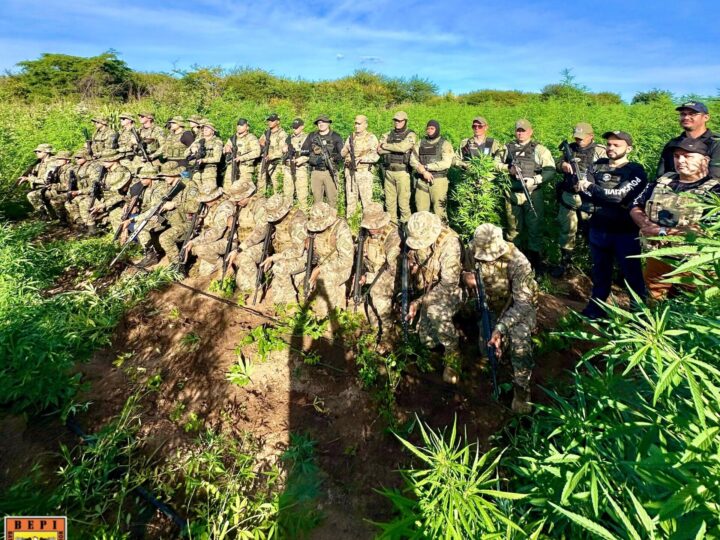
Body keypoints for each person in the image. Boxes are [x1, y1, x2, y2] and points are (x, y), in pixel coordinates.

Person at [462, 224, 538, 414]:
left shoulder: (517, 262)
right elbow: (464, 269)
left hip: (516, 310)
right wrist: (466, 277)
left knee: (519, 341)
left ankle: (522, 391)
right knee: (485, 350)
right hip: (490, 307)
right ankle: (500, 344)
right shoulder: (471, 250)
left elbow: (523, 304)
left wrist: (501, 328)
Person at [631, 139, 720, 299]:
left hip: (694, 262)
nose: (681, 161)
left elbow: (707, 230)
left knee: (689, 307)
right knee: (651, 302)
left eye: (688, 156)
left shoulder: (715, 191)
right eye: (677, 156)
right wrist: (644, 223)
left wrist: (662, 231)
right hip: (657, 257)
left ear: (705, 160)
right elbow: (635, 205)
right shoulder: (662, 182)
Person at [577, 131, 648, 319]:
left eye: (617, 145)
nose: (611, 148)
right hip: (598, 229)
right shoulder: (596, 166)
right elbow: (584, 194)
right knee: (600, 274)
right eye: (609, 144)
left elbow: (617, 196)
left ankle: (640, 318)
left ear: (629, 148)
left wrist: (593, 188)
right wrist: (597, 192)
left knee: (632, 277)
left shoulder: (636, 171)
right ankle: (596, 310)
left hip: (625, 233)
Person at [404, 211, 463, 383]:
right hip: (429, 289)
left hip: (453, 291)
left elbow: (449, 284)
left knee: (435, 311)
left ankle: (453, 353)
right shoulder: (416, 233)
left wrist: (419, 301)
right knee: (427, 342)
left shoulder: (450, 243)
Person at [497, 119, 556, 272]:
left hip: (533, 193)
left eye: (523, 130)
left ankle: (535, 265)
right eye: (518, 130)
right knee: (513, 229)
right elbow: (494, 163)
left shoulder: (540, 150)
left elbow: (550, 170)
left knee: (534, 229)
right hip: (512, 193)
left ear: (531, 131)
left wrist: (536, 179)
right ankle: (514, 263)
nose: (520, 133)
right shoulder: (507, 148)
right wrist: (508, 168)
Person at [551, 122, 607, 278]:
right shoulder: (569, 148)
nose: (578, 141)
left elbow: (608, 171)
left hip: (590, 199)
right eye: (576, 137)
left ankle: (594, 266)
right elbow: (556, 163)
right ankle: (565, 264)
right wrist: (562, 165)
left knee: (591, 232)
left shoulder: (600, 151)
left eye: (582, 138)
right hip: (569, 197)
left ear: (591, 136)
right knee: (566, 231)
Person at [234, 194, 306, 303]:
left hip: (295, 256)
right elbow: (258, 233)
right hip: (276, 250)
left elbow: (298, 250)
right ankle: (256, 289)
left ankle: (293, 303)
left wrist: (274, 257)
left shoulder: (297, 220)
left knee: (279, 298)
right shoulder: (270, 214)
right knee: (244, 258)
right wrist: (240, 249)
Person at [355, 202, 401, 343]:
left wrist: (370, 277)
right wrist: (361, 272)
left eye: (375, 225)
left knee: (379, 300)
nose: (372, 229)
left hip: (390, 275)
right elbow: (361, 255)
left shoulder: (392, 235)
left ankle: (388, 333)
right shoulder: (364, 232)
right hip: (372, 272)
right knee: (370, 302)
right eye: (369, 225)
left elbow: (393, 269)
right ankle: (375, 328)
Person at [302, 201, 354, 319]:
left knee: (324, 279)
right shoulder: (312, 227)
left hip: (340, 267)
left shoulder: (341, 228)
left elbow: (346, 260)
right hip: (321, 263)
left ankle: (325, 318)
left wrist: (320, 269)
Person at [657, 101, 720, 179]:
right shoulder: (673, 144)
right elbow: (662, 175)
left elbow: (716, 177)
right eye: (683, 114)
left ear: (706, 117)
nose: (686, 117)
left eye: (692, 114)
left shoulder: (716, 143)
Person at [181, 186, 235, 276]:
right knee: (200, 268)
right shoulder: (209, 205)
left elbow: (216, 233)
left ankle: (224, 266)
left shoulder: (225, 207)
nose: (205, 202)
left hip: (226, 240)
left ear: (215, 196)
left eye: (207, 199)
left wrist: (195, 241)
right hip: (211, 238)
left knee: (199, 249)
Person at [410, 120, 454, 222]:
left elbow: (446, 163)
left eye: (432, 128)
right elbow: (413, 159)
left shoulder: (445, 144)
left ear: (437, 129)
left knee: (439, 211)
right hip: (422, 180)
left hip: (438, 181)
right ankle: (424, 235)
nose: (429, 130)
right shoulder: (420, 143)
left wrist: (427, 167)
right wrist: (423, 171)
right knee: (421, 211)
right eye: (428, 128)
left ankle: (444, 235)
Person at [377, 111, 417, 225]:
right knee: (389, 203)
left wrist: (386, 146)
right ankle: (392, 227)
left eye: (400, 121)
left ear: (405, 121)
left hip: (402, 173)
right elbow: (379, 150)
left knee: (403, 203)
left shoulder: (410, 134)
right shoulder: (387, 134)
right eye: (396, 120)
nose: (397, 123)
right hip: (388, 171)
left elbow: (403, 148)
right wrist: (393, 147)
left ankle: (406, 228)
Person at [341, 115, 380, 217]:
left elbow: (376, 155)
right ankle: (351, 224)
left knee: (366, 202)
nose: (356, 126)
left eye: (359, 124)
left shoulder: (371, 137)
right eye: (355, 123)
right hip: (350, 172)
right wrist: (344, 152)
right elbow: (343, 152)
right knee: (350, 201)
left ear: (365, 125)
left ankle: (369, 225)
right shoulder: (351, 137)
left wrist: (362, 159)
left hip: (364, 172)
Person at [301, 115, 344, 208]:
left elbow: (342, 154)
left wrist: (333, 159)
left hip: (330, 172)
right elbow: (303, 151)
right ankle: (318, 220)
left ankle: (332, 220)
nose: (321, 124)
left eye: (323, 122)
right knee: (317, 201)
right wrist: (314, 159)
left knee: (332, 200)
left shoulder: (336, 136)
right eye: (319, 123)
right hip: (315, 172)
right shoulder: (312, 136)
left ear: (328, 123)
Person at [17, 143, 57, 218]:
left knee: (31, 195)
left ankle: (46, 217)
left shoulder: (53, 163)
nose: (36, 153)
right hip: (42, 187)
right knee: (29, 192)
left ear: (46, 152)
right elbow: (34, 175)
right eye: (36, 152)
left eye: (39, 151)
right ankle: (49, 216)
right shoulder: (39, 164)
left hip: (52, 187)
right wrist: (26, 178)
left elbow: (46, 181)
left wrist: (29, 179)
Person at [186, 121, 223, 193]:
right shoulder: (198, 141)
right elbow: (185, 154)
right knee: (196, 194)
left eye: (208, 128)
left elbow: (217, 158)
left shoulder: (217, 142)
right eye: (204, 128)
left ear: (212, 131)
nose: (205, 130)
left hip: (209, 172)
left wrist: (203, 160)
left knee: (210, 194)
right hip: (196, 171)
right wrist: (192, 149)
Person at [282, 118, 310, 210]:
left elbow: (311, 153)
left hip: (300, 168)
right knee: (287, 195)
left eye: (297, 127)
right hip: (288, 168)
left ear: (302, 127)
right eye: (293, 127)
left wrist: (302, 159)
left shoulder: (307, 138)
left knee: (302, 195)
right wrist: (284, 150)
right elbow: (282, 151)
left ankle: (303, 217)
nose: (295, 129)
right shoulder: (289, 138)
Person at [223, 118, 261, 185]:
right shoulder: (233, 138)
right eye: (238, 125)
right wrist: (226, 148)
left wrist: (241, 158)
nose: (239, 127)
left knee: (242, 190)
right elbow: (224, 149)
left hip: (245, 168)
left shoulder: (251, 138)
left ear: (247, 127)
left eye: (241, 125)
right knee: (228, 190)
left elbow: (257, 152)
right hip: (232, 167)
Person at [257, 113, 287, 195]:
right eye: (269, 120)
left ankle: (277, 201)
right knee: (261, 180)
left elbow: (283, 150)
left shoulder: (282, 134)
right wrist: (261, 143)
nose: (270, 122)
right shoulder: (267, 132)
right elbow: (260, 142)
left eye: (272, 121)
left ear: (277, 122)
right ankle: (260, 198)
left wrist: (272, 156)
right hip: (264, 160)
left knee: (276, 184)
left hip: (275, 162)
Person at [46, 151, 75, 225]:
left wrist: (54, 186)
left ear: (67, 160)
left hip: (72, 191)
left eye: (60, 159)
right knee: (46, 194)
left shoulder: (70, 169)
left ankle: (64, 220)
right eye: (57, 159)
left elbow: (69, 186)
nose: (58, 161)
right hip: (62, 191)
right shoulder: (60, 169)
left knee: (55, 200)